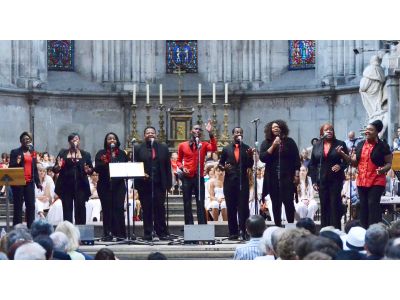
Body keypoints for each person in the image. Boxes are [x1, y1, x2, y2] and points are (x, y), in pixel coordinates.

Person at [337, 120, 392, 228]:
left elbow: (389, 163)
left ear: (377, 132)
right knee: (363, 206)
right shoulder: (360, 144)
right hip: (362, 181)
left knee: (372, 204)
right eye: (366, 129)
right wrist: (342, 154)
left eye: (370, 130)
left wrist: (383, 170)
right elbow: (354, 163)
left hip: (377, 180)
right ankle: (363, 230)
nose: (367, 131)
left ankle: (375, 230)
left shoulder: (383, 146)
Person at [260, 120, 300, 227]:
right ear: (270, 130)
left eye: (277, 127)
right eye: (273, 127)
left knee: (288, 202)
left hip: (287, 177)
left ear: (282, 128)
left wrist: (296, 175)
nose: (275, 128)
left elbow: (296, 159)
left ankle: (290, 225)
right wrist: (273, 145)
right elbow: (263, 158)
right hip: (272, 177)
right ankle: (277, 225)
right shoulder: (266, 142)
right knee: (276, 203)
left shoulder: (289, 142)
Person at [134, 127, 172, 241]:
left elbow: (167, 166)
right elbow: (136, 164)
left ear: (155, 135)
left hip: (159, 183)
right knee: (147, 208)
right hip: (144, 183)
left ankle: (161, 232)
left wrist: (168, 184)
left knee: (160, 208)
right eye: (147, 133)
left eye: (152, 133)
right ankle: (148, 232)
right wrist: (141, 174)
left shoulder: (163, 147)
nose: (150, 134)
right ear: (144, 135)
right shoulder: (138, 148)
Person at [177, 121, 217, 225]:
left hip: (199, 177)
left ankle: (202, 226)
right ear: (191, 131)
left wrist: (210, 133)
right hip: (187, 177)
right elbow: (178, 161)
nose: (197, 131)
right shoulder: (182, 145)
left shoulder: (203, 145)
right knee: (187, 203)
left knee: (200, 202)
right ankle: (189, 226)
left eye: (199, 129)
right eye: (195, 129)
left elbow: (214, 148)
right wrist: (182, 167)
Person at [308, 123, 348, 229]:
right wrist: (314, 181)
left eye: (331, 129)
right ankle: (324, 230)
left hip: (335, 179)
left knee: (334, 206)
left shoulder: (340, 144)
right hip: (322, 180)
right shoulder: (317, 145)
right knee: (324, 206)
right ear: (322, 133)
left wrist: (340, 166)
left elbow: (347, 160)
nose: (329, 131)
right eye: (326, 130)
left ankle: (336, 230)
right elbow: (312, 164)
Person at [218, 127, 254, 239]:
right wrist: (224, 168)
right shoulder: (226, 149)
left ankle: (244, 231)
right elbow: (220, 164)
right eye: (237, 132)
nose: (239, 134)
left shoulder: (246, 148)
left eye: (241, 132)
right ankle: (233, 232)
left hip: (242, 182)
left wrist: (250, 156)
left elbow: (250, 165)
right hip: (229, 182)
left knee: (243, 208)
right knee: (231, 208)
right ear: (233, 134)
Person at [53, 133, 94, 225]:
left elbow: (91, 170)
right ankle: (68, 231)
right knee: (67, 209)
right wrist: (58, 167)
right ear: (69, 141)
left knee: (80, 208)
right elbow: (55, 169)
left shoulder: (85, 154)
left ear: (79, 141)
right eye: (73, 139)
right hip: (66, 185)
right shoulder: (63, 153)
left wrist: (88, 170)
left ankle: (81, 232)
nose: (75, 141)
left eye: (77, 139)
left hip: (80, 186)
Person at [95, 132, 128, 241]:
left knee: (118, 209)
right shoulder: (101, 153)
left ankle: (120, 235)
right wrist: (107, 162)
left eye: (114, 138)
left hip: (119, 185)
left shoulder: (122, 153)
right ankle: (108, 233)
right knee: (107, 209)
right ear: (106, 141)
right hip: (104, 185)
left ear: (117, 141)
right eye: (109, 139)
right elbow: (97, 168)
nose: (112, 140)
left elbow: (125, 167)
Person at [9, 132, 42, 228]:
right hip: (18, 182)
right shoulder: (15, 152)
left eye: (28, 139)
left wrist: (38, 182)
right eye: (24, 139)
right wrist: (18, 162)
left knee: (31, 206)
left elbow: (34, 168)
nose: (26, 141)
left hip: (29, 183)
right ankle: (17, 228)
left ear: (30, 141)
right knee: (18, 207)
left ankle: (31, 228)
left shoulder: (33, 152)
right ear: (20, 141)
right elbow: (11, 166)